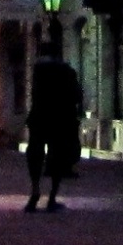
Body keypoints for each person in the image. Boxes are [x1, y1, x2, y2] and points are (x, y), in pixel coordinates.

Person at [24, 55, 82, 212]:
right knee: (57, 156)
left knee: (35, 153)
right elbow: (77, 96)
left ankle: (35, 190)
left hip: (39, 118)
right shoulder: (67, 72)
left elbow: (34, 94)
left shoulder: (39, 72)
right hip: (59, 120)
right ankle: (52, 196)